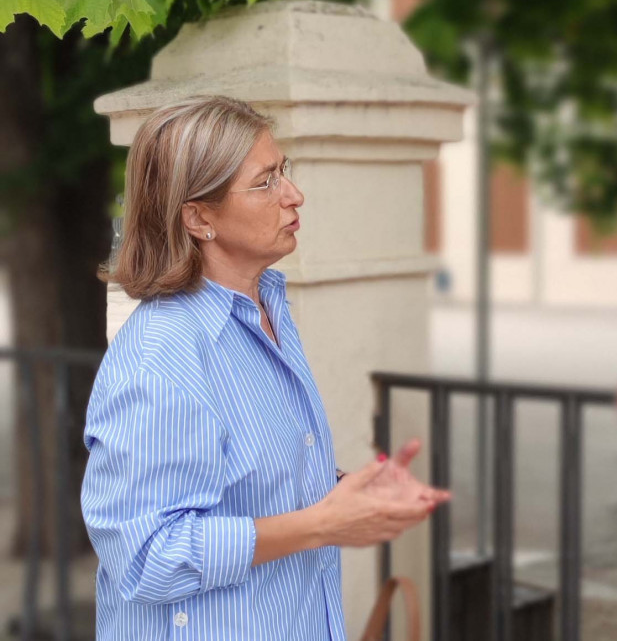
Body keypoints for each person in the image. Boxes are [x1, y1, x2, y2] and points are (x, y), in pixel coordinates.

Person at [81, 96, 449, 640]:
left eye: (285, 172)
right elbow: (144, 556)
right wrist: (323, 525)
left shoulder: (264, 308)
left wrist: (348, 491)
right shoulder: (161, 357)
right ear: (199, 217)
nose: (293, 195)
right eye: (265, 182)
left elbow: (251, 481)